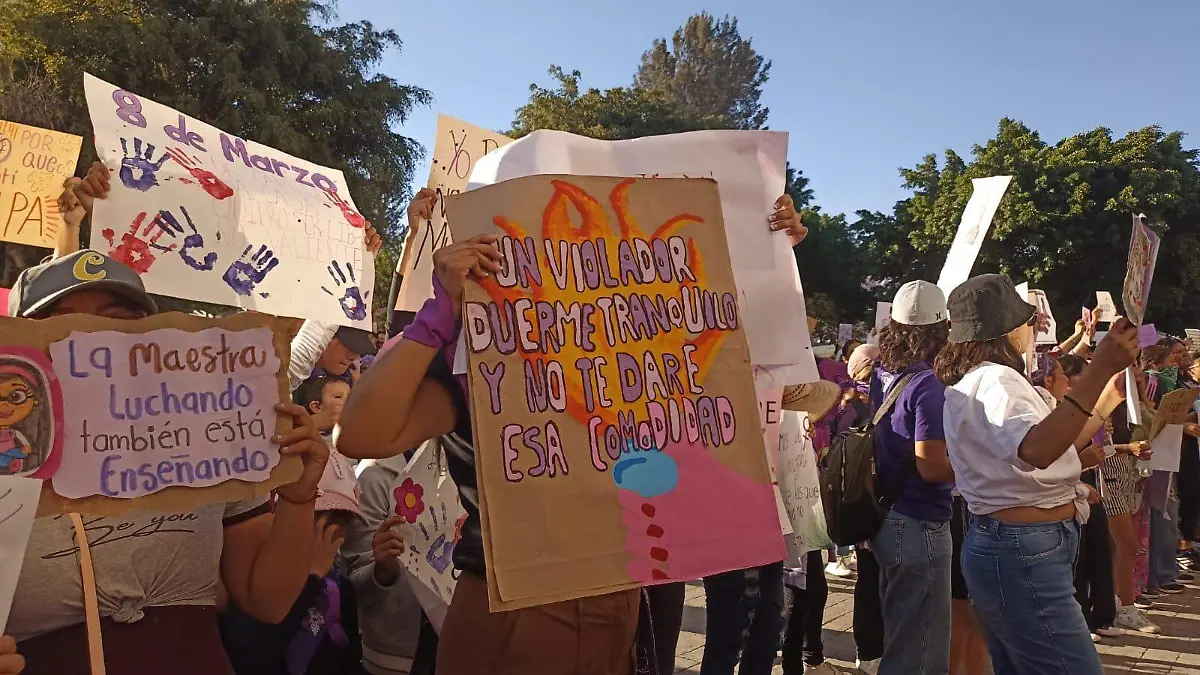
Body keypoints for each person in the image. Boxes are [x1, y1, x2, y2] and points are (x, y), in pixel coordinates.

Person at [337, 193, 807, 675]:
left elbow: (743, 372)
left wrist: (763, 248)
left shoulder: (644, 367)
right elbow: (360, 434)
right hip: (514, 611)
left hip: (622, 603)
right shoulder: (480, 363)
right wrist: (439, 314)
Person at [6, 250, 330, 675]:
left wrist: (298, 497)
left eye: (117, 320)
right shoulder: (10, 460)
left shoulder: (212, 439)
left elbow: (267, 600)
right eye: (58, 323)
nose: (89, 338)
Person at [935, 274, 1136, 675]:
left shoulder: (982, 381)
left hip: (1017, 545)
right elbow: (1038, 450)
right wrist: (1099, 369)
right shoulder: (995, 380)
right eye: (1029, 322)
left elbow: (1051, 444)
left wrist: (1103, 397)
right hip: (1023, 549)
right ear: (1007, 330)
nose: (1034, 329)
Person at [868, 280, 953, 675]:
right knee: (919, 650)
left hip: (889, 516)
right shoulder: (927, 385)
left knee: (903, 638)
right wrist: (984, 461)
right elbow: (931, 465)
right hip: (919, 521)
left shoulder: (883, 372)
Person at [220, 451, 366, 675]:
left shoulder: (340, 589)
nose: (334, 539)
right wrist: (309, 578)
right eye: (321, 524)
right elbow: (249, 656)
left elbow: (350, 657)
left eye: (342, 523)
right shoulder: (251, 584)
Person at [1040, 354, 1123, 639]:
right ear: (1050, 380)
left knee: (1102, 546)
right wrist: (1082, 462)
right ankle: (1082, 621)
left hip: (1085, 484)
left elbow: (1085, 442)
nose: (1066, 380)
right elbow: (1048, 457)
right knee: (1078, 558)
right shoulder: (1046, 410)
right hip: (1068, 491)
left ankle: (1102, 615)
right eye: (1063, 375)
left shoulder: (1068, 406)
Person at [343, 446, 436, 675]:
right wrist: (383, 571)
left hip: (455, 637)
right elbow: (354, 583)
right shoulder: (373, 476)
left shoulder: (456, 460)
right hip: (395, 657)